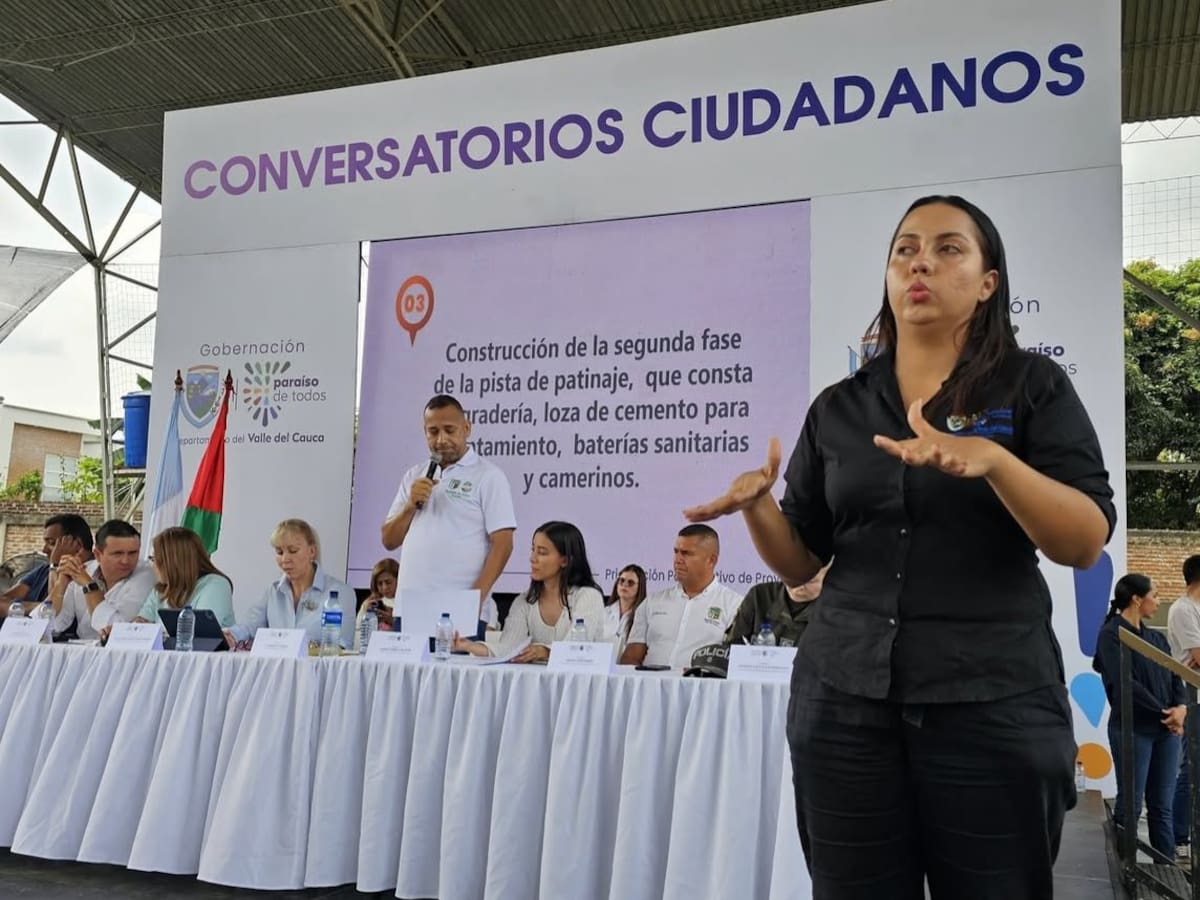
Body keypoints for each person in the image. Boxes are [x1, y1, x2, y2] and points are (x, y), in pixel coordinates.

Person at [685, 195, 1116, 899]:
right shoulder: (840, 406)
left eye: (949, 248)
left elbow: (1083, 540)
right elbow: (803, 562)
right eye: (905, 249)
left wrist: (996, 463)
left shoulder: (1033, 385)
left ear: (987, 282)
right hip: (843, 703)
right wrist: (758, 507)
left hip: (991, 702)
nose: (922, 261)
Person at [381, 394, 516, 637]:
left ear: (467, 428)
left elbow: (503, 543)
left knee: (455, 676)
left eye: (449, 430)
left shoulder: (488, 476)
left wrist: (475, 599)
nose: (441, 439)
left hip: (460, 611)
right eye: (433, 432)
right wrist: (410, 506)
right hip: (411, 608)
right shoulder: (414, 475)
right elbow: (389, 540)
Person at [1094, 573, 1186, 860]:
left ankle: (1166, 867)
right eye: (1155, 595)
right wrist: (1164, 711)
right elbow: (1125, 683)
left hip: (1165, 731)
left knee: (1162, 805)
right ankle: (1125, 867)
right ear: (1137, 598)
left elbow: (1175, 676)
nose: (1158, 602)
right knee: (1131, 803)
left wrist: (1180, 708)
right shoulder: (1111, 635)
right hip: (1133, 729)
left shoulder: (1156, 637)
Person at [454, 521, 605, 662]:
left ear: (565, 560)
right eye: (533, 550)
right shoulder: (525, 601)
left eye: (542, 552)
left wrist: (546, 651)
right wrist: (468, 646)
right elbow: (508, 649)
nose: (533, 558)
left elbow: (577, 647)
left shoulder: (588, 596)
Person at [619, 525, 743, 670]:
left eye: (686, 553)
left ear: (711, 560)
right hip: (650, 688)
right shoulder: (652, 602)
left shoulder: (734, 605)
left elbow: (736, 665)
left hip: (701, 689)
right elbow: (631, 658)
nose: (677, 560)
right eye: (676, 552)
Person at [230, 519, 355, 649]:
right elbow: (248, 626)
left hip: (319, 668)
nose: (285, 559)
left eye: (293, 551)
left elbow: (343, 645)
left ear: (312, 551)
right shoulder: (273, 591)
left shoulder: (340, 592)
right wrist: (229, 635)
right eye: (279, 552)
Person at [49, 519, 155, 640]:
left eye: (133, 553)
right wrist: (61, 584)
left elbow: (119, 630)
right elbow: (50, 624)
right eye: (118, 554)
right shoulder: (85, 570)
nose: (126, 561)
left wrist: (89, 585)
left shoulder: (147, 574)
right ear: (98, 554)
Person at [1166, 554, 1200, 859]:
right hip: (1192, 698)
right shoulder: (1183, 610)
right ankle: (1180, 837)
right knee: (1191, 769)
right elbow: (1198, 656)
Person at [133, 526, 235, 628]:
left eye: (155, 559)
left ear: (172, 562)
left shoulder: (216, 586)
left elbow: (198, 633)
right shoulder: (161, 588)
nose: (153, 565)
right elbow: (141, 623)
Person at [0, 514, 93, 617]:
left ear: (77, 545)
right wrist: (41, 607)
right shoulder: (43, 569)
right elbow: (4, 601)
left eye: (52, 543)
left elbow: (55, 614)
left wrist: (55, 566)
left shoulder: (93, 575)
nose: (44, 550)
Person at [725, 563, 828, 647]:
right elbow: (731, 647)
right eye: (793, 575)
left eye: (811, 581)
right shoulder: (759, 596)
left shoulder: (835, 611)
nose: (799, 585)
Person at [604, 564, 646, 658]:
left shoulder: (643, 616)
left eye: (630, 583)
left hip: (628, 668)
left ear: (640, 587)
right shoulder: (603, 612)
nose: (624, 585)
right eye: (621, 580)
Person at [357, 557, 398, 630]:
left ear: (398, 579)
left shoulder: (406, 603)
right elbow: (358, 628)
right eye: (380, 584)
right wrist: (365, 612)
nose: (385, 587)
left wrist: (392, 620)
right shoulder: (370, 602)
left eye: (388, 582)